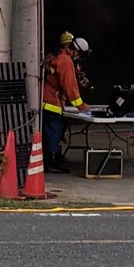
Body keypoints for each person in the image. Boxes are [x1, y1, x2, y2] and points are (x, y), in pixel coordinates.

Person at [41, 32, 87, 173]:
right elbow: (70, 86)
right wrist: (81, 106)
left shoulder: (55, 57)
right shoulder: (66, 61)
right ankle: (52, 163)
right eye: (80, 53)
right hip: (51, 103)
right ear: (73, 48)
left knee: (49, 133)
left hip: (46, 101)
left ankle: (49, 161)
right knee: (55, 133)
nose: (79, 57)